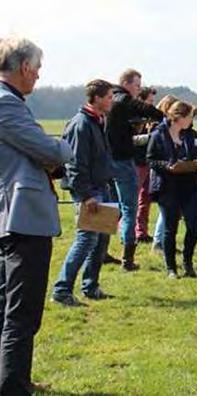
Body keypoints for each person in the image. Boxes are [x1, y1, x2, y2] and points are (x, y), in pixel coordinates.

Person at [0, 37, 72, 395]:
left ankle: (11, 379)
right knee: (22, 312)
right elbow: (49, 148)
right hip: (21, 218)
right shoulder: (6, 104)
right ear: (24, 67)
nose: (39, 76)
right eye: (37, 68)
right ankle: (14, 385)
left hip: (11, 216)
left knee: (9, 306)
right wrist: (60, 148)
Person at [51, 79, 118, 306]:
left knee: (101, 240)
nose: (112, 101)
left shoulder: (98, 121)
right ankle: (62, 289)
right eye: (109, 97)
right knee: (86, 239)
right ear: (97, 98)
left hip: (102, 185)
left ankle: (91, 286)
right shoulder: (81, 124)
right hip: (89, 190)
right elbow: (75, 163)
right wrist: (86, 195)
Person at [106, 68, 164, 272]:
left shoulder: (110, 100)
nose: (138, 90)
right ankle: (127, 258)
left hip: (107, 160)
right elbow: (143, 108)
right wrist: (162, 114)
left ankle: (101, 252)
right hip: (121, 160)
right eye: (137, 85)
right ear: (127, 83)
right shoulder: (121, 98)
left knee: (111, 207)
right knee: (128, 207)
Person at [148, 101, 197, 279]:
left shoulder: (191, 134)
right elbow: (151, 159)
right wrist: (168, 166)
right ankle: (171, 267)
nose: (191, 120)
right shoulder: (158, 134)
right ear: (179, 117)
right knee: (170, 228)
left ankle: (188, 261)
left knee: (193, 226)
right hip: (167, 185)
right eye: (189, 117)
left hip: (190, 184)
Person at [150, 95, 180, 254]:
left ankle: (166, 242)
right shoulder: (159, 129)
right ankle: (158, 242)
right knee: (166, 211)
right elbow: (153, 156)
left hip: (173, 175)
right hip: (162, 176)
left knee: (171, 212)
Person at [133, 87, 157, 243]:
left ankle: (142, 231)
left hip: (147, 162)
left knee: (145, 199)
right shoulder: (133, 117)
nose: (152, 104)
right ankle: (128, 232)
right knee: (132, 199)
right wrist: (149, 137)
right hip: (135, 162)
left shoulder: (151, 118)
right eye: (150, 100)